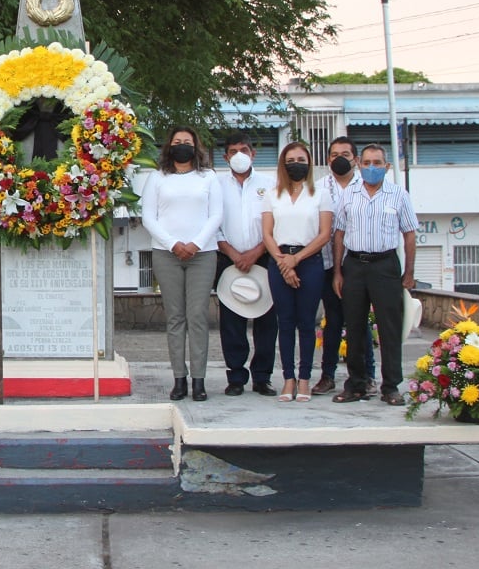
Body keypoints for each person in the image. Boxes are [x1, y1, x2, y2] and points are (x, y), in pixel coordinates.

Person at [330, 143, 419, 406]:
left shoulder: (398, 195)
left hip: (385, 265)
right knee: (355, 327)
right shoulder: (349, 194)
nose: (371, 168)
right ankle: (356, 384)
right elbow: (339, 234)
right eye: (367, 162)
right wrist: (337, 271)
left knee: (389, 329)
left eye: (377, 163)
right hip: (354, 265)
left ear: (387, 166)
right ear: (358, 164)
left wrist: (409, 272)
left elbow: (410, 234)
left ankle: (391, 386)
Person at [140, 127, 223, 402]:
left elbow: (216, 215)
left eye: (187, 142)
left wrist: (195, 243)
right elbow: (148, 218)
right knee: (175, 318)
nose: (182, 146)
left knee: (197, 317)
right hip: (166, 254)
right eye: (177, 142)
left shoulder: (208, 177)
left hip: (203, 254)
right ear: (169, 147)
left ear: (195, 146)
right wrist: (174, 243)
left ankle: (199, 380)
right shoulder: (157, 177)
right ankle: (179, 379)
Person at [262, 142, 334, 403]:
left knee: (306, 323)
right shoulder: (272, 195)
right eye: (291, 159)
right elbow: (267, 234)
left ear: (309, 162)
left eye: (301, 159)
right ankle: (288, 379)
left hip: (310, 261)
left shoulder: (320, 194)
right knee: (285, 323)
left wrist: (297, 260)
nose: (296, 163)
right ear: (283, 163)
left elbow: (325, 234)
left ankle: (304, 379)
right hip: (279, 260)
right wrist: (284, 263)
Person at [312, 137, 377, 396]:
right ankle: (328, 375)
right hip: (328, 263)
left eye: (346, 154)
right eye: (334, 154)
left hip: (359, 264)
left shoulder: (369, 186)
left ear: (355, 159)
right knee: (332, 320)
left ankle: (367, 376)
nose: (340, 158)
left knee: (360, 322)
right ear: (328, 159)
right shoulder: (318, 188)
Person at [215, 134, 278, 397]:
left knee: (266, 320)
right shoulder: (216, 184)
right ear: (225, 157)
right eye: (233, 151)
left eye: (244, 150)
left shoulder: (270, 184)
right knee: (231, 320)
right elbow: (213, 222)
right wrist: (232, 252)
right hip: (227, 256)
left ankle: (262, 377)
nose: (239, 154)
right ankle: (236, 377)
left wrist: (256, 252)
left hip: (262, 256)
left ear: (253, 153)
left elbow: (276, 221)